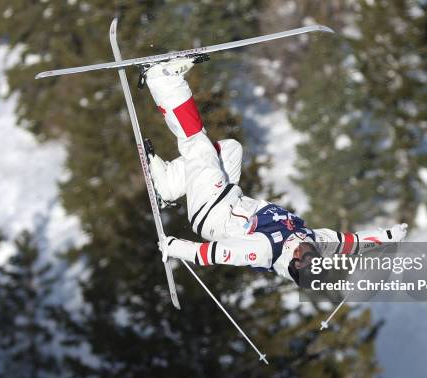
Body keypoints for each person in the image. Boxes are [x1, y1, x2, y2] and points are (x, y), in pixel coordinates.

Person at [145, 58, 408, 285]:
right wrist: (389, 237)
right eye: (313, 257)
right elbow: (351, 243)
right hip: (228, 198)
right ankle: (169, 185)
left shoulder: (265, 250)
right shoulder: (315, 239)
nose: (306, 252)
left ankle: (162, 80)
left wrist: (175, 247)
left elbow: (215, 254)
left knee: (198, 145)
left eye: (303, 261)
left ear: (293, 266)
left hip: (212, 212)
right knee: (229, 150)